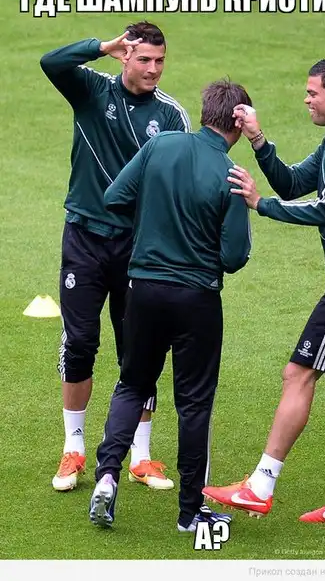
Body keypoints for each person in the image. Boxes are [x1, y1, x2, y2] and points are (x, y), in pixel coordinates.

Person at [202, 57, 325, 525]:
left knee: (298, 373)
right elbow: (292, 183)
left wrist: (260, 205)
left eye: (313, 93)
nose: (307, 100)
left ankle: (260, 486)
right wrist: (258, 140)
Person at [88, 78, 252, 532]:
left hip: (143, 291)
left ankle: (107, 476)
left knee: (132, 385)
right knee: (194, 404)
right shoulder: (232, 175)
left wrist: (151, 223)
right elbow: (234, 257)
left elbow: (114, 198)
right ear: (238, 123)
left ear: (204, 112)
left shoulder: (160, 146)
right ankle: (189, 513)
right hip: (197, 300)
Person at [40, 21, 191, 493]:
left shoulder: (171, 115)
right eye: (144, 59)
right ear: (124, 56)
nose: (153, 69)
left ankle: (141, 456)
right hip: (84, 238)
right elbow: (51, 62)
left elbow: (179, 183)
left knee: (139, 348)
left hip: (138, 246)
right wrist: (99, 46)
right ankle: (74, 448)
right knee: (80, 341)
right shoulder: (91, 90)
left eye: (160, 60)